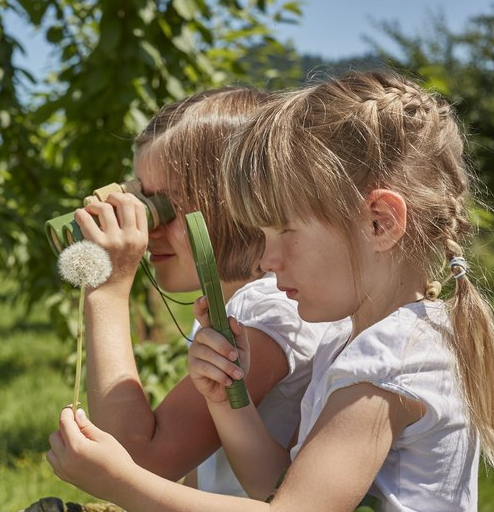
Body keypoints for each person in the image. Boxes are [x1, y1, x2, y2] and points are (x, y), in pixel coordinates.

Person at [46, 71, 494, 511]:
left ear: (379, 222)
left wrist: (123, 483)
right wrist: (227, 401)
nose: (266, 258)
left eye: (285, 230)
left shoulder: (392, 355)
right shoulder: (355, 340)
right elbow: (274, 487)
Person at [70, 86, 334, 493]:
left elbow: (137, 460)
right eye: (140, 199)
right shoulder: (228, 308)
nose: (148, 229)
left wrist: (106, 290)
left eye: (163, 207)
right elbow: (201, 472)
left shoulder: (270, 312)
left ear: (235, 204)